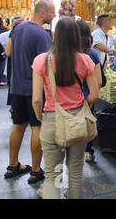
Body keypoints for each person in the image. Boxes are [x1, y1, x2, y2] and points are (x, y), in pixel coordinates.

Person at [32, 18, 99, 199]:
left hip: (52, 119)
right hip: (77, 119)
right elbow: (94, 93)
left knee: (52, 174)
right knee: (76, 172)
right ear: (76, 37)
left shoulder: (41, 60)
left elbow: (37, 99)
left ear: (56, 36)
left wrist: (41, 116)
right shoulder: (85, 60)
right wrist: (85, 106)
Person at [5, 0, 55, 184]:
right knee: (37, 127)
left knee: (18, 125)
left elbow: (7, 51)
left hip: (16, 87)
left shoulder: (18, 27)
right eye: (52, 12)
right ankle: (35, 171)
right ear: (43, 13)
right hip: (34, 89)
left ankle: (13, 165)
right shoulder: (42, 35)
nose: (54, 15)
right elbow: (48, 65)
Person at [76, 20, 102, 162]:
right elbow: (98, 81)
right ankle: (88, 151)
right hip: (87, 98)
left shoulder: (65, 54)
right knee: (88, 126)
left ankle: (73, 151)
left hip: (70, 100)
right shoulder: (91, 54)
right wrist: (91, 100)